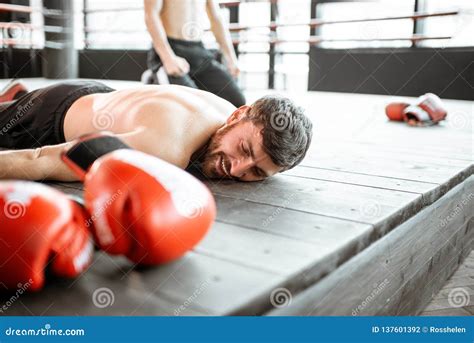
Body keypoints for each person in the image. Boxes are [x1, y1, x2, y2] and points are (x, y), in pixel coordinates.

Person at [0, 80, 312, 182]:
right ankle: (15, 102)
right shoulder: (167, 148)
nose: (236, 169)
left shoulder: (227, 113)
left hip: (104, 99)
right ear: (239, 115)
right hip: (48, 119)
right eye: (245, 151)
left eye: (256, 172)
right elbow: (40, 159)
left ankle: (16, 97)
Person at [143, 0, 246, 107]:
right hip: (171, 51)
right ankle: (156, 77)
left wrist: (231, 58)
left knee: (236, 101)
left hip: (198, 50)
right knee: (194, 106)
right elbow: (151, 15)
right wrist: (167, 58)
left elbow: (215, 18)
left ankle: (165, 80)